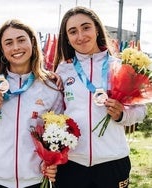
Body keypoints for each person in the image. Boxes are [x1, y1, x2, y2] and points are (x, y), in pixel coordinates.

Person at [53, 6, 146, 188]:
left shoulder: (120, 66)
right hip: (71, 163)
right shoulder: (63, 70)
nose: (80, 36)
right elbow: (56, 114)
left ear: (97, 29)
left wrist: (122, 115)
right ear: (67, 38)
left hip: (113, 161)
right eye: (73, 31)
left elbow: (141, 110)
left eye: (86, 27)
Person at [0, 19, 63, 188]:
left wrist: (53, 161)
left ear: (32, 43)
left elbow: (58, 137)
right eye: (8, 43)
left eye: (21, 40)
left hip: (35, 180)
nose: (16, 47)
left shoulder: (51, 87)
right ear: (2, 50)